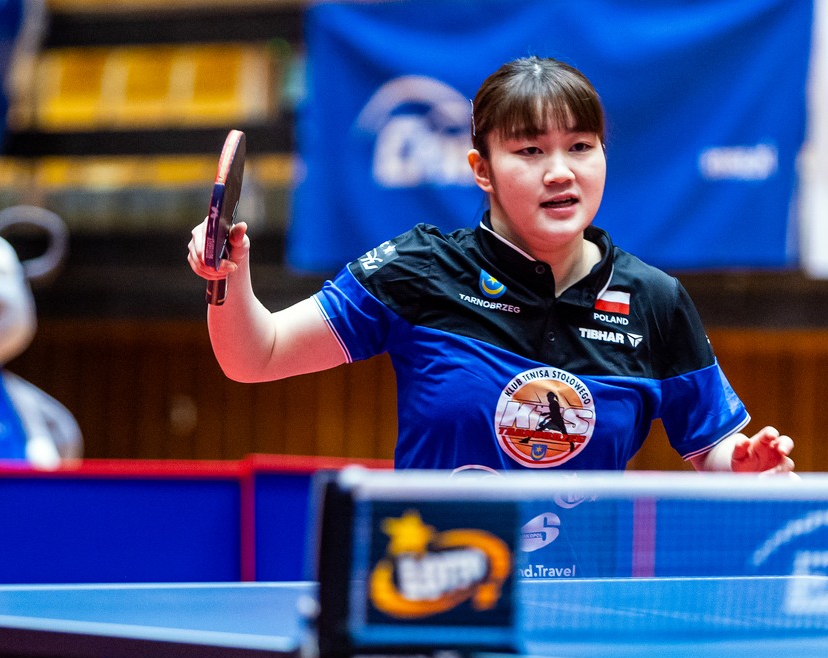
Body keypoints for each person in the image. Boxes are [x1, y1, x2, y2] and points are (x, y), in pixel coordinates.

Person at [187, 56, 794, 478]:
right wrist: (229, 280)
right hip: (437, 590)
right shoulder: (420, 269)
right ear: (482, 169)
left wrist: (745, 465)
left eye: (581, 147)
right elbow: (257, 355)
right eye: (530, 150)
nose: (560, 171)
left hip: (582, 607)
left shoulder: (652, 299)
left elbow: (711, 444)